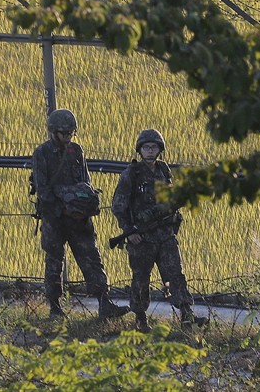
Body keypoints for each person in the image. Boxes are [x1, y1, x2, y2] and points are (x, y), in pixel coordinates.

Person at [32, 108, 130, 320]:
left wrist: (84, 205)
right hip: (54, 219)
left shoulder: (76, 151)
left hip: (78, 218)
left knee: (91, 258)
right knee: (54, 262)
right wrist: (64, 207)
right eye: (64, 133)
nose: (68, 137)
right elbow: (43, 190)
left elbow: (86, 181)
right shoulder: (42, 153)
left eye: (71, 133)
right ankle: (55, 307)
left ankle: (105, 303)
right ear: (53, 132)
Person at [111, 129, 208, 332]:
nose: (149, 151)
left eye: (153, 147)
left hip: (164, 234)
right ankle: (140, 317)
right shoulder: (132, 174)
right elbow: (119, 206)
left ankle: (186, 315)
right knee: (141, 279)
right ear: (140, 150)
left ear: (159, 150)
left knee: (176, 275)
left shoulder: (163, 170)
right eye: (146, 147)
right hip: (142, 237)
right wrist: (130, 231)